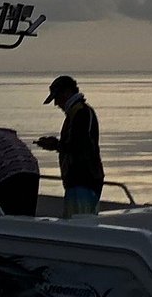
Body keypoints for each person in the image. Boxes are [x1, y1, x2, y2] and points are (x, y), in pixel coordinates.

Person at [35, 75, 104, 218]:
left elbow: (78, 146)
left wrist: (55, 145)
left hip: (83, 180)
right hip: (81, 181)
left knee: (79, 224)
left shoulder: (81, 113)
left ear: (67, 93)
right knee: (79, 221)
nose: (56, 104)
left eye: (57, 98)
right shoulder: (78, 113)